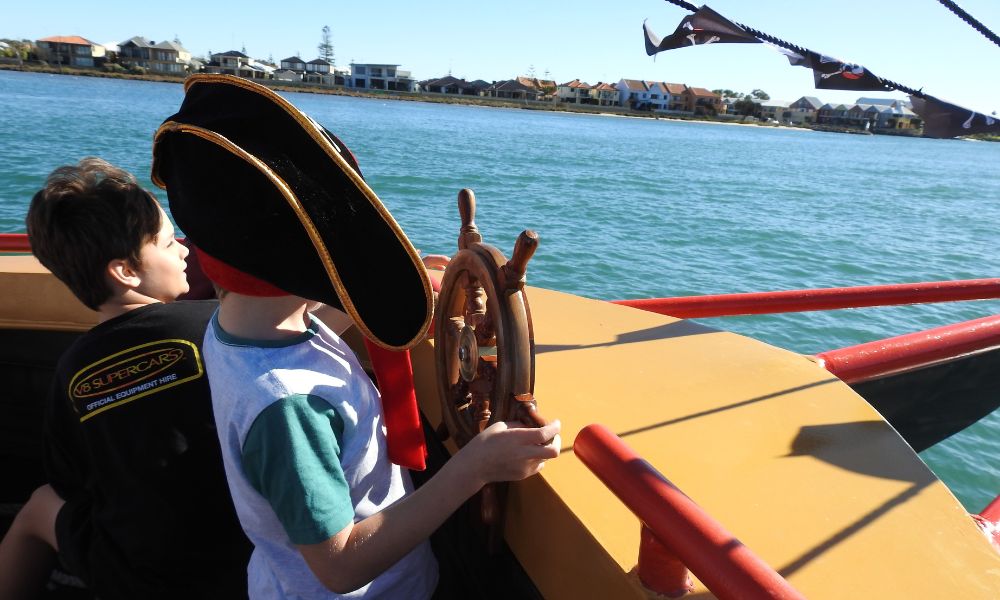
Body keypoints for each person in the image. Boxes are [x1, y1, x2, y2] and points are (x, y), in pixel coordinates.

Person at [152, 74, 561, 599]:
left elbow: (328, 320)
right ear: (303, 265)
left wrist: (414, 294)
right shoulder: (285, 408)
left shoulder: (243, 328)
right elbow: (340, 565)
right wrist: (473, 468)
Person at [0, 158, 251, 600]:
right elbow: (306, 321)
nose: (185, 251)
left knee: (40, 505)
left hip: (133, 577)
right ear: (126, 271)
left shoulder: (72, 367)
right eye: (169, 242)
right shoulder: (220, 325)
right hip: (243, 562)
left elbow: (67, 481)